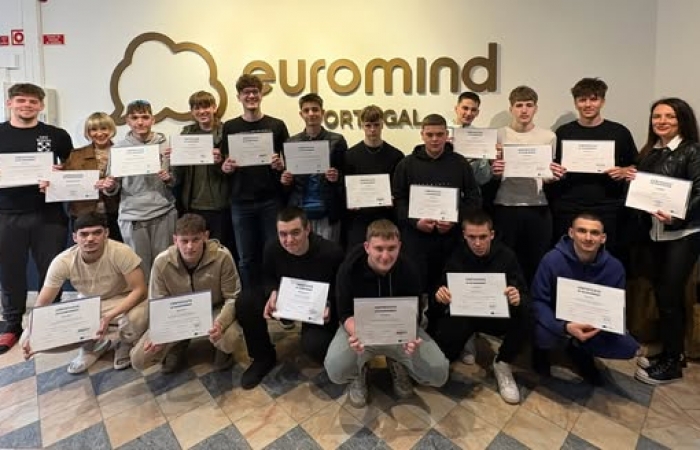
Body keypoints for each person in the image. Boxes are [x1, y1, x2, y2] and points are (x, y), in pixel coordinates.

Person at [325, 220, 449, 407]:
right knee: (337, 369)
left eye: (391, 248)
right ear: (367, 247)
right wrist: (357, 334)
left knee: (438, 373)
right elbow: (344, 312)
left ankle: (397, 360)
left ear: (399, 246)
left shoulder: (410, 269)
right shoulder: (348, 269)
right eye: (379, 248)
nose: (385, 256)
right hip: (360, 332)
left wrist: (409, 337)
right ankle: (359, 370)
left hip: (399, 332)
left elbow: (414, 311)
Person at [21, 212, 148, 373]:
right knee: (28, 338)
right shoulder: (63, 261)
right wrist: (33, 332)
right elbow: (43, 302)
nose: (90, 239)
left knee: (136, 319)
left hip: (123, 299)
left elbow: (140, 290)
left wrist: (109, 317)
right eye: (84, 234)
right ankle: (92, 346)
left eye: (97, 233)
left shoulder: (121, 252)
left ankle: (125, 343)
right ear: (75, 237)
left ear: (106, 233)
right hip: (90, 303)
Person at [629, 98, 700, 384]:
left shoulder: (692, 150)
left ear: (681, 120)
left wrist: (678, 214)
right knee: (663, 294)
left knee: (670, 296)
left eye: (669, 116)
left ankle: (672, 364)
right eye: (656, 116)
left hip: (682, 234)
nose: (662, 121)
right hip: (655, 232)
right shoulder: (650, 152)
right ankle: (673, 352)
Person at [0, 83, 73, 353]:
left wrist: (61, 172)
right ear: (9, 103)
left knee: (52, 269)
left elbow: (73, 168)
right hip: (6, 214)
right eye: (21, 100)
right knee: (10, 271)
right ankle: (11, 325)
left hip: (48, 213)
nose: (27, 105)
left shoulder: (57, 135)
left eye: (33, 101)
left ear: (41, 106)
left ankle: (49, 321)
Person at [236, 207, 344, 389]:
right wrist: (272, 292)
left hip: (317, 308)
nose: (289, 240)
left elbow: (341, 289)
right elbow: (268, 276)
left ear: (308, 229)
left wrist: (330, 306)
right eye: (283, 234)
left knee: (316, 346)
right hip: (285, 300)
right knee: (246, 301)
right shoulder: (272, 248)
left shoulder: (331, 253)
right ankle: (263, 357)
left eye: (295, 233)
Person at [393, 113, 482, 332]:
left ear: (446, 135)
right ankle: (411, 331)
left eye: (439, 134)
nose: (435, 139)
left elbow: (474, 198)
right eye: (430, 134)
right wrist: (415, 222)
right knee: (414, 286)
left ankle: (438, 331)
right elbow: (398, 200)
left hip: (448, 239)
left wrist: (455, 219)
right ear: (422, 134)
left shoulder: (459, 163)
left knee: (443, 288)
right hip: (416, 238)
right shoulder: (406, 164)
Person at [432, 209, 529, 404]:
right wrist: (439, 295)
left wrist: (517, 297)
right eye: (472, 237)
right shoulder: (455, 256)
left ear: (491, 234)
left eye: (483, 237)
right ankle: (466, 340)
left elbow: (524, 292)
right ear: (464, 235)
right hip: (465, 315)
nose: (477, 243)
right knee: (443, 351)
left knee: (527, 315)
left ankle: (502, 363)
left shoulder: (507, 256)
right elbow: (440, 289)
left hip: (495, 316)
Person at [531, 213, 639, 385]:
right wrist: (564, 327)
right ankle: (541, 352)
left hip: (593, 323)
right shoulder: (551, 260)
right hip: (558, 320)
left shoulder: (615, 268)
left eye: (594, 233)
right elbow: (538, 301)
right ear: (571, 233)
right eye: (582, 231)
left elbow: (615, 308)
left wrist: (602, 325)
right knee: (541, 333)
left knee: (628, 347)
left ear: (603, 238)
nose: (588, 238)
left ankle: (580, 350)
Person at [130, 213, 241, 373]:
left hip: (213, 310)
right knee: (139, 360)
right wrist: (161, 334)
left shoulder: (222, 256)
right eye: (184, 241)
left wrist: (221, 324)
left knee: (230, 339)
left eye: (195, 240)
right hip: (177, 315)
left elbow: (232, 297)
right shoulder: (162, 262)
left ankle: (222, 350)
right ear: (175, 240)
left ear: (205, 237)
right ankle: (178, 344)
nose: (190, 246)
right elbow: (158, 303)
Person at [550, 78, 637, 255]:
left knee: (608, 256)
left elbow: (636, 166)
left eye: (593, 99)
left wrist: (623, 171)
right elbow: (553, 165)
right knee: (567, 255)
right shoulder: (563, 132)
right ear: (575, 103)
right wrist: (555, 172)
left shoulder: (619, 132)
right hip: (569, 206)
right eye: (582, 100)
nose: (588, 104)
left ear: (602, 101)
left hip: (608, 206)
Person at [220, 74, 289, 289]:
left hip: (271, 200)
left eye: (255, 92)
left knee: (275, 253)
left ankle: (275, 297)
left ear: (261, 94)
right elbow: (225, 163)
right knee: (246, 258)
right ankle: (252, 301)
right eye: (246, 92)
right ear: (239, 97)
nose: (251, 96)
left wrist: (281, 166)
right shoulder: (230, 126)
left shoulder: (276, 125)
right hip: (240, 202)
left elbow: (289, 164)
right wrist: (226, 167)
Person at [489, 86, 559, 285]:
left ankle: (532, 301)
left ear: (536, 108)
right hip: (506, 205)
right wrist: (495, 172)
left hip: (537, 206)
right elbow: (492, 175)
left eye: (529, 105)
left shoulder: (548, 136)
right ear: (511, 108)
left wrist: (552, 177)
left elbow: (547, 174)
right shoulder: (498, 135)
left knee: (536, 262)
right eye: (519, 105)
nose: (524, 110)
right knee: (504, 262)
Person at [104, 100, 177, 283]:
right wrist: (110, 186)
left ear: (152, 119)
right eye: (135, 118)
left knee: (165, 266)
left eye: (145, 117)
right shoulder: (119, 149)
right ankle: (143, 300)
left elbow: (177, 180)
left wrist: (169, 178)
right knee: (139, 269)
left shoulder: (166, 145)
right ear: (127, 121)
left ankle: (163, 299)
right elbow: (113, 186)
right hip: (133, 215)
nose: (140, 122)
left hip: (163, 211)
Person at [175, 91, 235, 259]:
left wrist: (220, 161)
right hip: (193, 204)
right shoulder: (186, 134)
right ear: (192, 111)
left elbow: (235, 167)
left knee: (220, 252)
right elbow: (179, 173)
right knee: (196, 253)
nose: (202, 112)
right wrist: (174, 157)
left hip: (220, 204)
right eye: (197, 108)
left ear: (214, 107)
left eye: (206, 106)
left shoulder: (226, 132)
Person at [281, 93, 348, 243]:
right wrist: (285, 181)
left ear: (322, 112)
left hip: (327, 211)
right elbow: (288, 185)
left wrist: (336, 177)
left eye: (315, 109)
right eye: (306, 110)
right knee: (300, 253)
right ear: (301, 114)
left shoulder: (337, 141)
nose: (311, 113)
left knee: (328, 253)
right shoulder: (291, 143)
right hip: (300, 212)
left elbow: (346, 178)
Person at [344, 105, 404, 247]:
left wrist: (393, 199)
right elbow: (344, 188)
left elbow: (399, 190)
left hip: (386, 219)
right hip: (359, 220)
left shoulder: (396, 156)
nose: (372, 129)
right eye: (368, 125)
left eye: (376, 125)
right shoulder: (350, 156)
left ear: (382, 124)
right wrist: (349, 200)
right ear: (362, 126)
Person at [60, 112, 122, 241]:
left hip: (115, 213)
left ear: (111, 129)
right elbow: (66, 182)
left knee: (115, 249)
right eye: (94, 129)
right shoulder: (76, 155)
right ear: (88, 132)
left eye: (104, 128)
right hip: (83, 212)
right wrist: (54, 176)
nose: (99, 133)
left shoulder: (123, 152)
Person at [454, 91, 493, 186]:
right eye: (465, 108)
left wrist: (485, 158)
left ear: (477, 113)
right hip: (444, 187)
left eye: (473, 110)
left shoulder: (481, 137)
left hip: (470, 189)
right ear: (456, 108)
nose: (469, 113)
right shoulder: (441, 132)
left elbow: (483, 178)